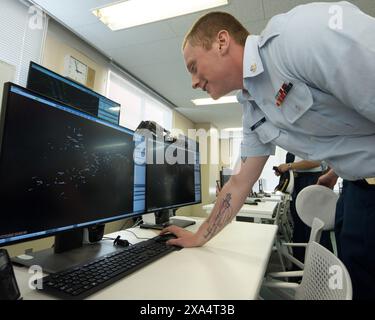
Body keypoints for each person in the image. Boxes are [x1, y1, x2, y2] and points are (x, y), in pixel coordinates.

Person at [161, 2, 375, 299]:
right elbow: (239, 182)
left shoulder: (299, 37)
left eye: (193, 67)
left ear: (221, 42)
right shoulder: (253, 109)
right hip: (358, 193)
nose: (194, 82)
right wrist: (200, 235)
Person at [274, 154, 331, 264]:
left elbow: (316, 161)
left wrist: (289, 166)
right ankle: (299, 266)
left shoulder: (310, 138)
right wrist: (284, 169)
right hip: (298, 181)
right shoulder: (294, 143)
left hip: (310, 180)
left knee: (313, 229)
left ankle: (319, 268)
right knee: (299, 228)